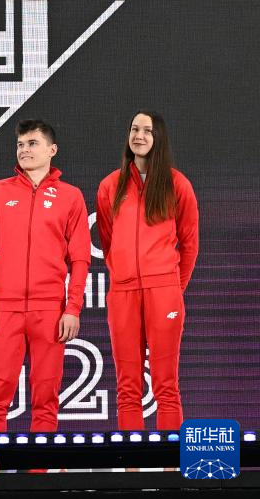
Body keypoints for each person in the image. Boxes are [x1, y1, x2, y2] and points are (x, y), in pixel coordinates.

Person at [0, 119, 91, 434]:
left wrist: (72, 308)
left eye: (32, 143)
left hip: (50, 310)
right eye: (20, 144)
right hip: (5, 309)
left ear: (52, 150)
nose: (25, 150)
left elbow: (80, 258)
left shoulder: (71, 196)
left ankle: (41, 466)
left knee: (46, 399)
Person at [96, 111, 198, 430]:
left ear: (159, 137)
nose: (139, 136)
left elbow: (190, 244)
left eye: (147, 131)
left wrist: (172, 287)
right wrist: (122, 277)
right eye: (134, 129)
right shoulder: (110, 185)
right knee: (127, 388)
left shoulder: (177, 184)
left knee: (166, 386)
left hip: (164, 292)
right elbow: (108, 240)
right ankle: (131, 463)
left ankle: (169, 462)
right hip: (123, 294)